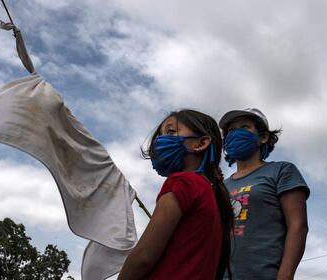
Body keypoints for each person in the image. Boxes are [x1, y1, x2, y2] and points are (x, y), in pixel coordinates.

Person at [118, 109, 234, 280]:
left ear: (200, 143)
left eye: (171, 131)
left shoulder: (182, 182)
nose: (160, 140)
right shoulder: (211, 193)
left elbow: (143, 257)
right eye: (160, 135)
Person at [219, 108, 310, 280]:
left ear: (263, 137)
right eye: (231, 130)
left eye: (244, 127)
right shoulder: (222, 186)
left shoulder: (282, 171)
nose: (236, 133)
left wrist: (285, 274)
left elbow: (298, 226)